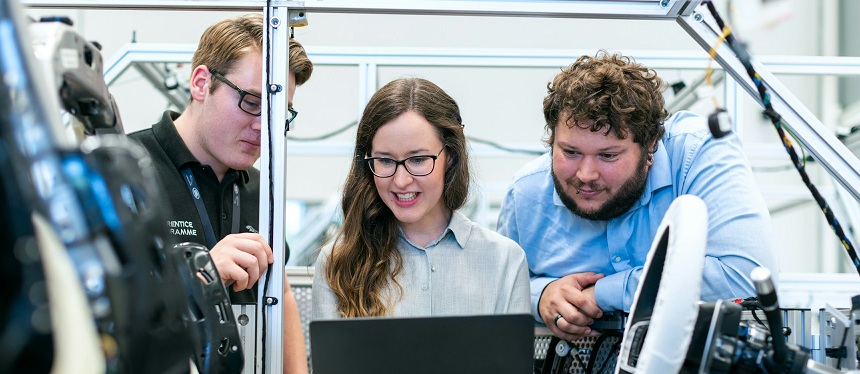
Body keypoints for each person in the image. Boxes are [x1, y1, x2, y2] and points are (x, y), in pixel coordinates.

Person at [496, 51, 779, 341]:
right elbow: (499, 290)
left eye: (608, 155)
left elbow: (745, 274)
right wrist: (541, 296)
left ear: (650, 146)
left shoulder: (698, 154)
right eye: (571, 152)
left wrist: (602, 294)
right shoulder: (526, 195)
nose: (586, 174)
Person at [127, 14, 313, 373]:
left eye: (278, 112)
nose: (263, 127)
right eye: (252, 102)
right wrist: (201, 276)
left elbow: (282, 292)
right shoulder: (125, 172)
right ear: (201, 83)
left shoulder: (262, 189)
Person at [312, 77, 530, 319]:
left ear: (451, 157)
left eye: (418, 160)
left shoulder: (505, 261)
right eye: (385, 160)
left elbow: (510, 358)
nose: (401, 181)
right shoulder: (337, 264)